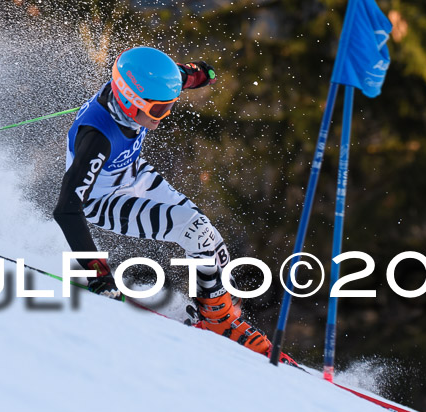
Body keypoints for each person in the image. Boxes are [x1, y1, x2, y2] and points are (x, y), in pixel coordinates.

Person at [53, 46, 272, 356]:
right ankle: (217, 320)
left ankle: (219, 315)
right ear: (130, 102)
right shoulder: (97, 138)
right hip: (102, 200)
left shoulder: (138, 89)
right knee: (193, 230)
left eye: (169, 106)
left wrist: (197, 74)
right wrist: (97, 272)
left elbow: (176, 75)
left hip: (132, 173)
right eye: (157, 110)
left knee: (207, 235)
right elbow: (66, 208)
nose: (163, 116)